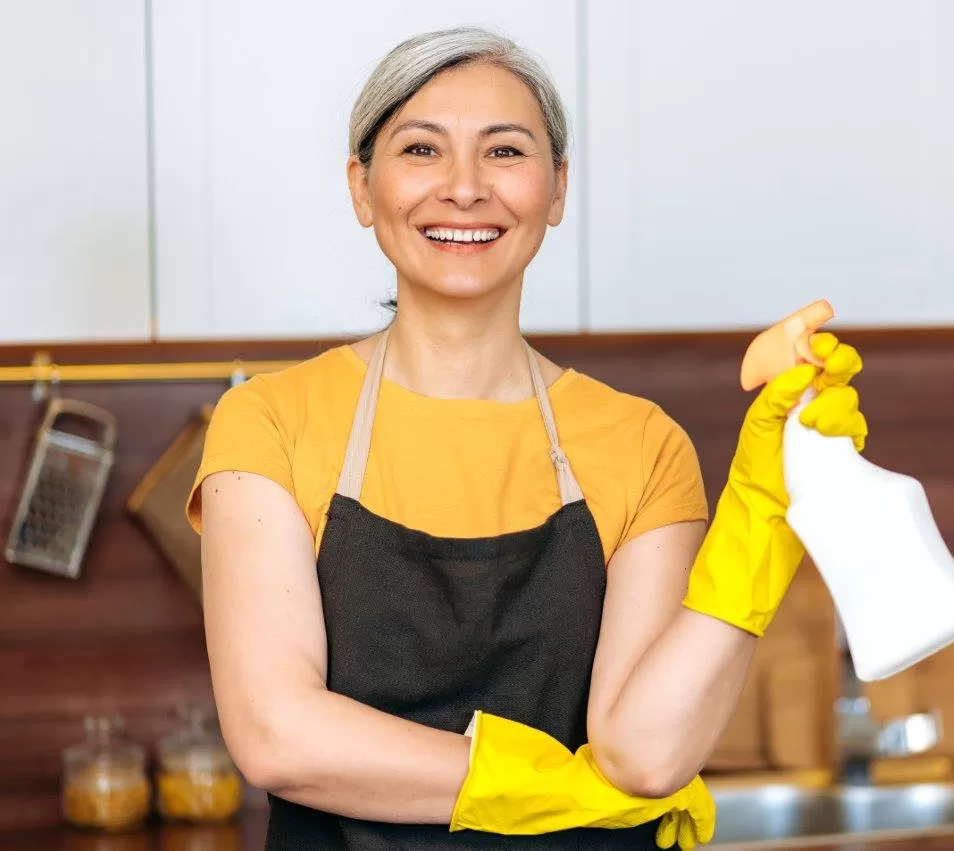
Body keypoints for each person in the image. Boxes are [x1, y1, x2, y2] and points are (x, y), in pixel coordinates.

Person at [186, 26, 868, 850]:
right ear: (363, 189)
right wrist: (552, 786)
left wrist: (764, 506)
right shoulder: (271, 421)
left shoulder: (640, 443)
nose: (465, 189)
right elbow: (279, 736)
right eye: (422, 149)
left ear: (556, 189)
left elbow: (647, 754)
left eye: (505, 151)